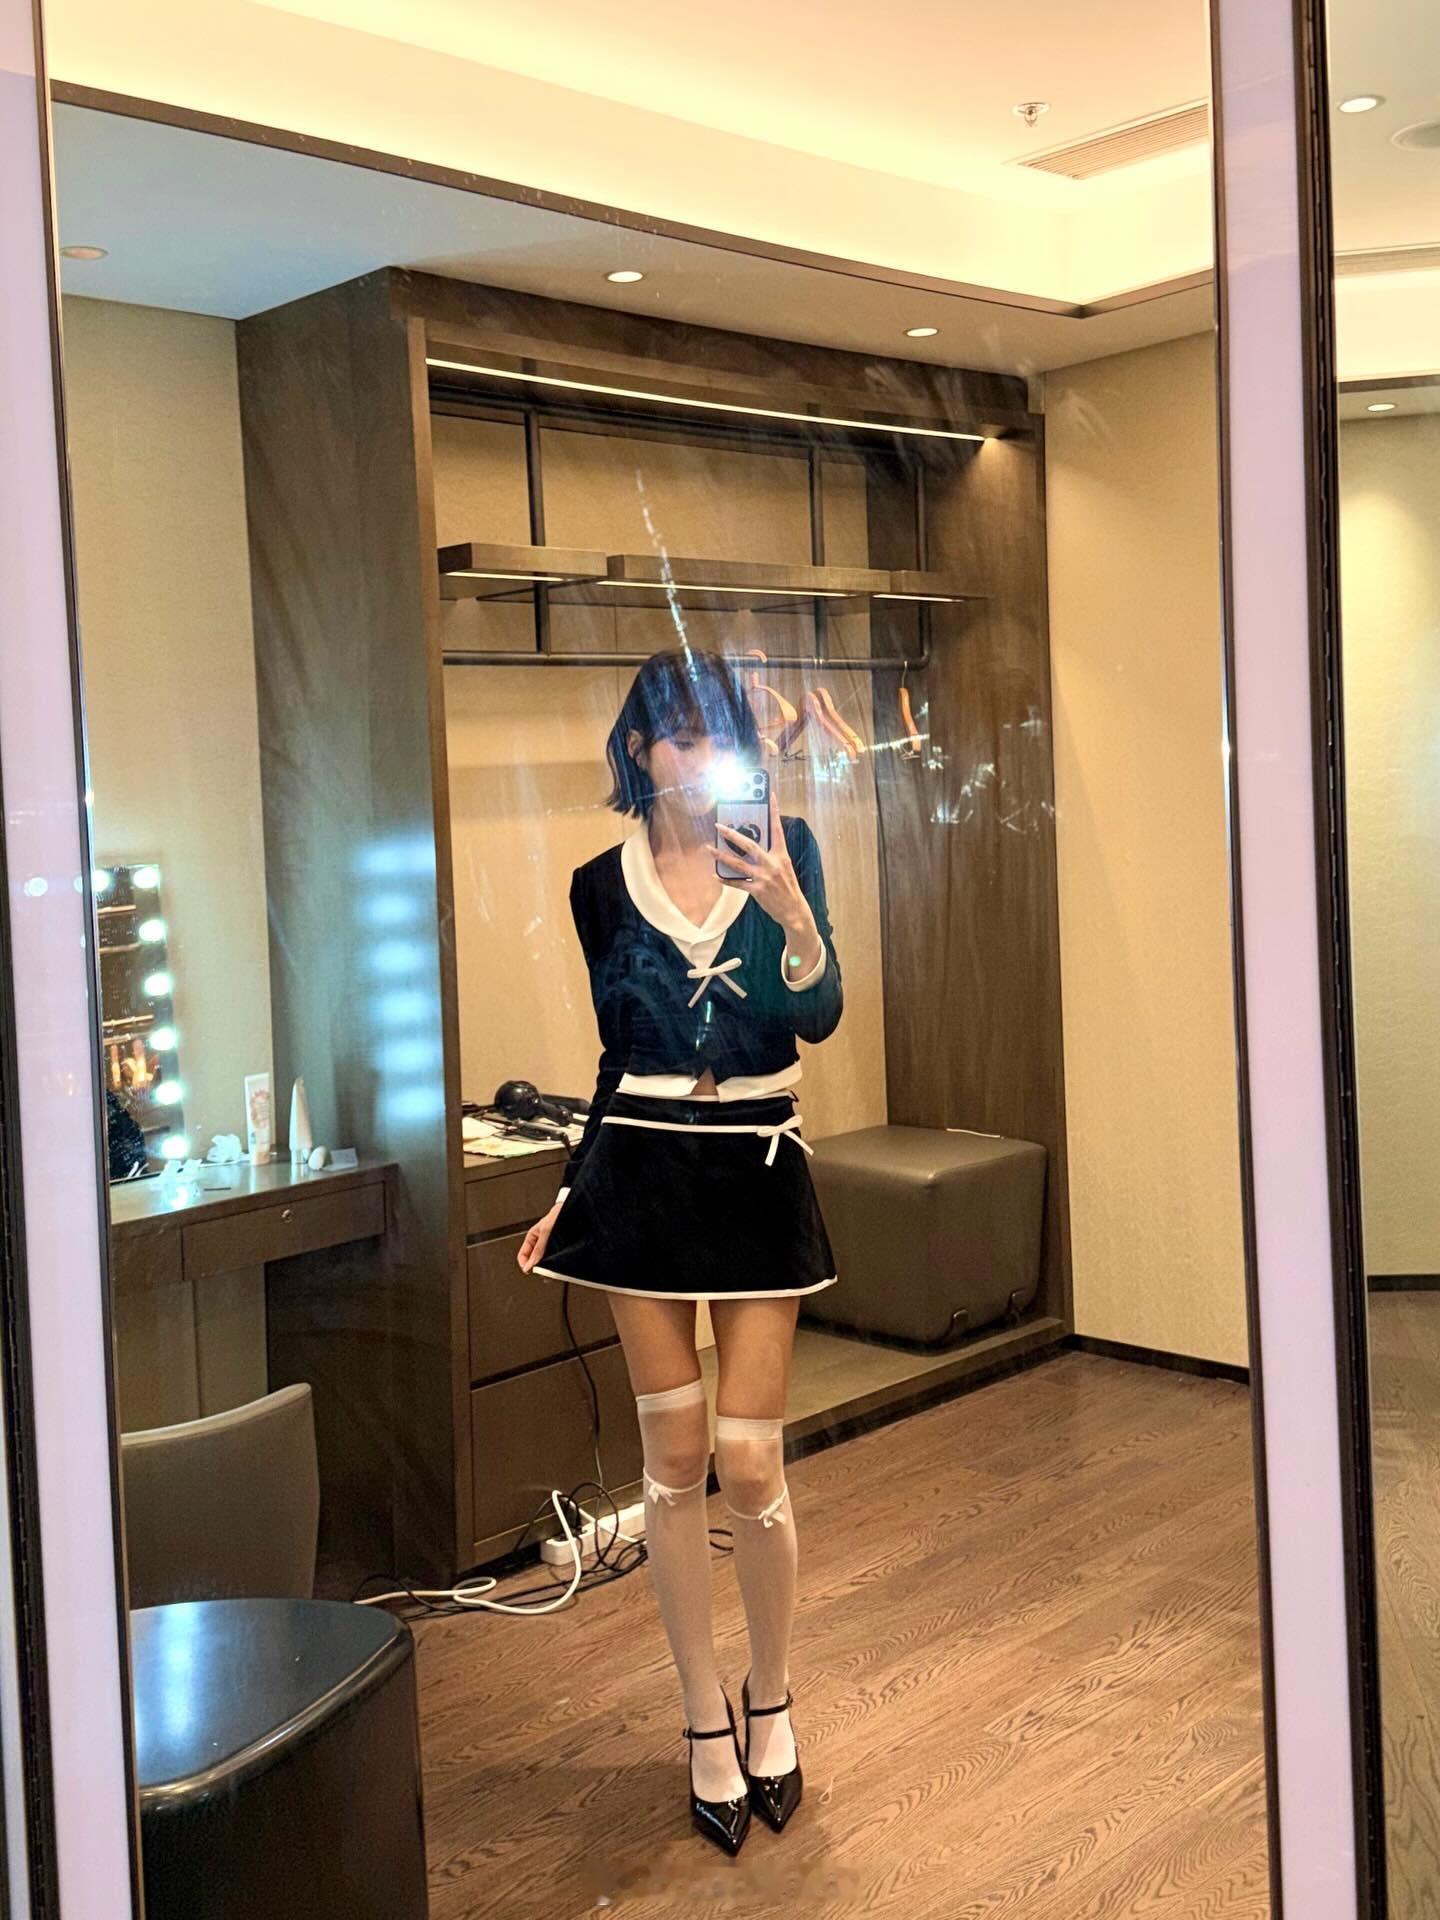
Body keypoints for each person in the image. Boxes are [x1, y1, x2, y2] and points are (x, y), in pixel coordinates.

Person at [518, 645, 843, 1855]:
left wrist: (793, 914)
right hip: (639, 1183)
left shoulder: (783, 848)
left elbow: (815, 1013)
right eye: (688, 736)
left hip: (758, 1169)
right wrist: (571, 1187)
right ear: (640, 748)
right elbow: (616, 1056)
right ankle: (703, 1713)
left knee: (750, 1463)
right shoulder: (596, 887)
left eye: (725, 736)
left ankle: (773, 1694)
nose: (709, 758)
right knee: (672, 1461)